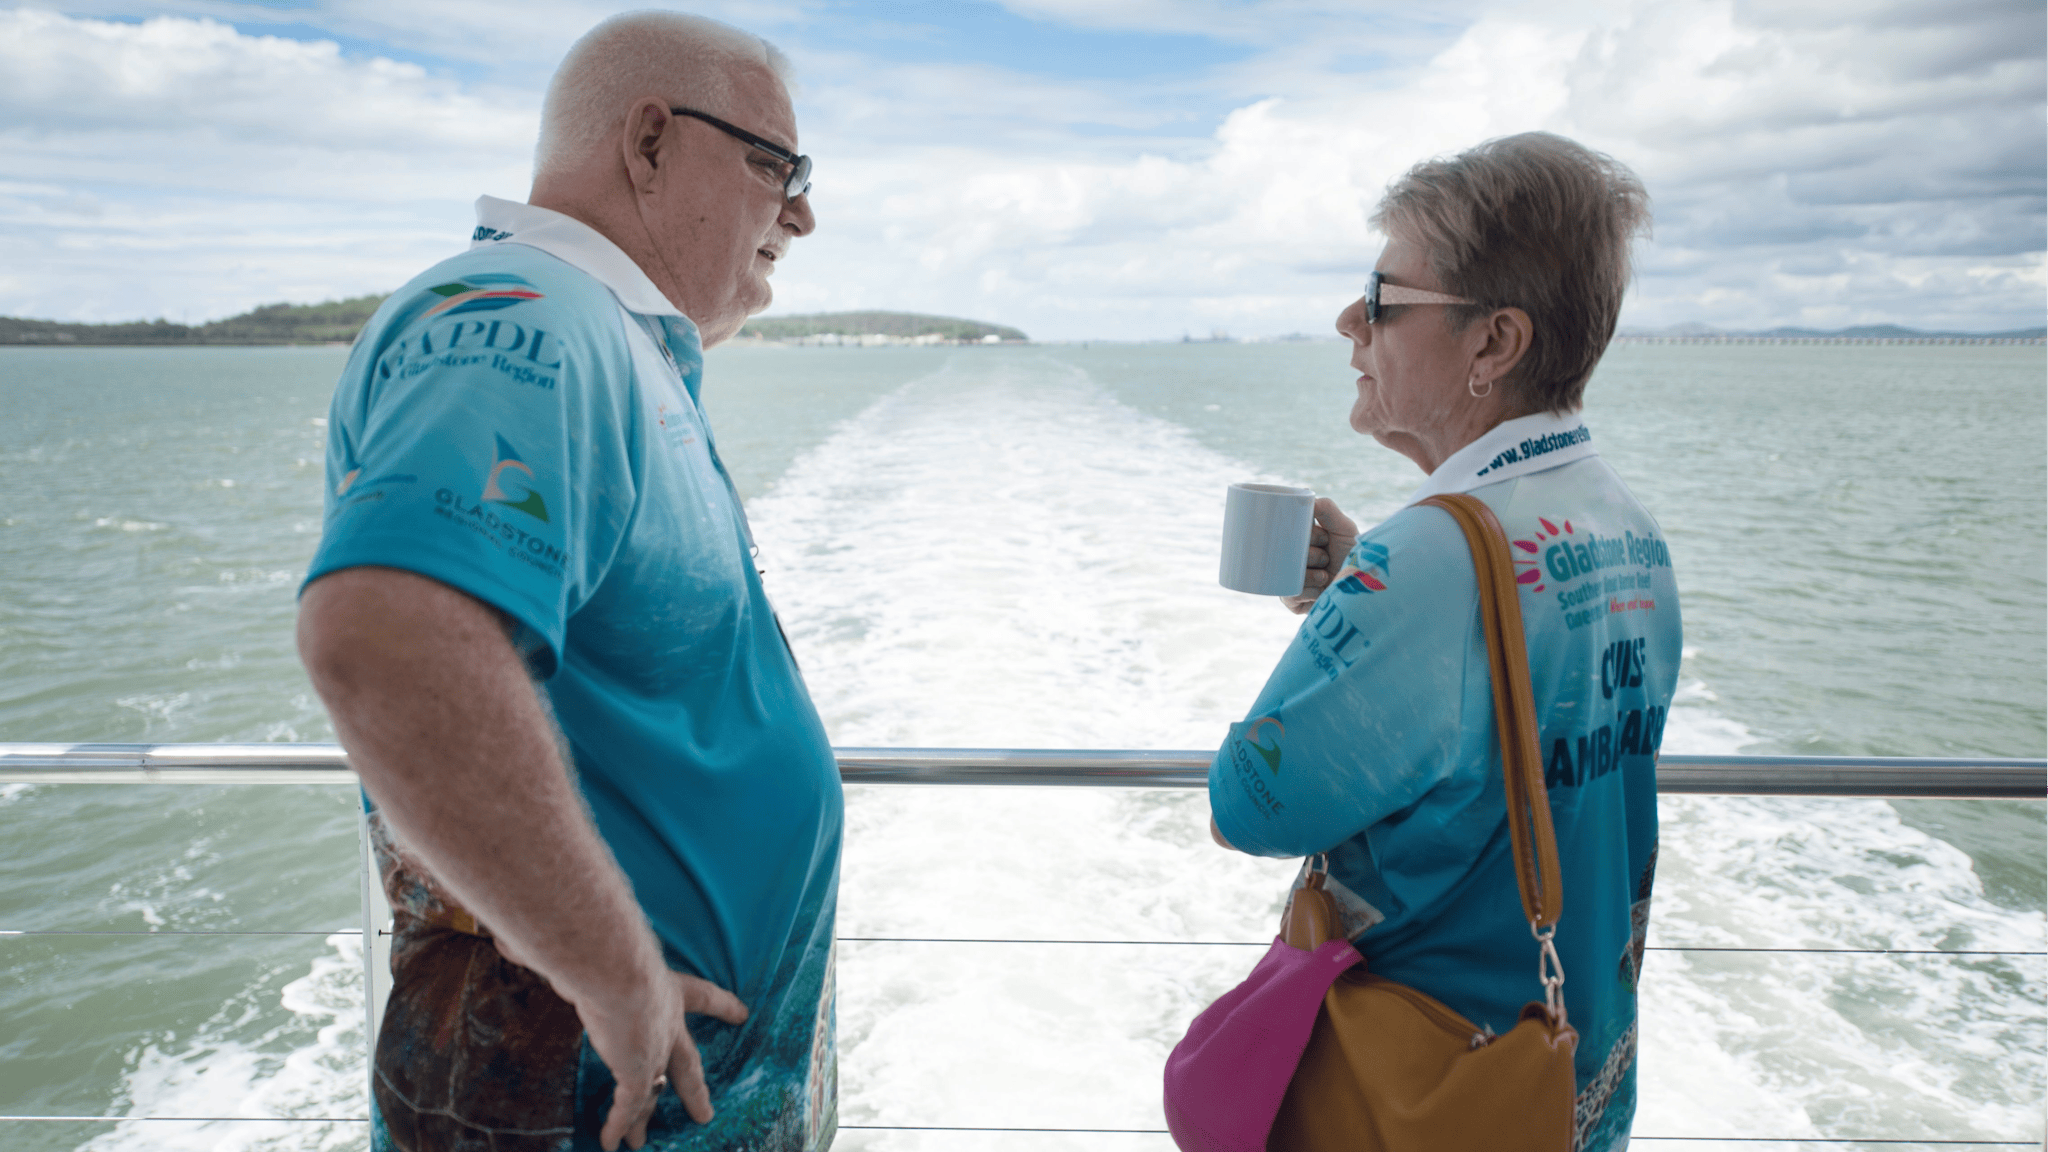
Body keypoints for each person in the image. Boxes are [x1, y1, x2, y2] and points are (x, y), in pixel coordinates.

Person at [295, 12, 838, 1152]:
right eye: (775, 165)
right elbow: (384, 636)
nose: (800, 210)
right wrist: (610, 969)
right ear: (648, 142)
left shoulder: (617, 342)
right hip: (582, 1091)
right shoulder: (530, 317)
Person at [1205, 132, 1679, 1150]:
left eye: (1381, 299)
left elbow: (1249, 803)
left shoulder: (1424, 564)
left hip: (1427, 1086)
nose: (1347, 321)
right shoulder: (1622, 526)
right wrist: (1371, 581)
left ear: (1491, 344)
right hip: (1563, 1074)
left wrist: (1360, 601)